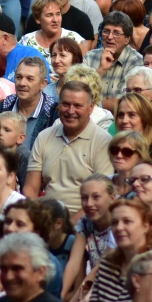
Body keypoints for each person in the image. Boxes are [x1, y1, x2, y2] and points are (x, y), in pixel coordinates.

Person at [24, 81, 113, 215]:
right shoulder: (44, 137)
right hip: (45, 217)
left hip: (86, 219)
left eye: (78, 106)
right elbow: (31, 188)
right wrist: (34, 218)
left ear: (91, 108)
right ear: (58, 106)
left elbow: (101, 196)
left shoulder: (103, 142)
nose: (71, 111)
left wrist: (71, 224)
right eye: (65, 104)